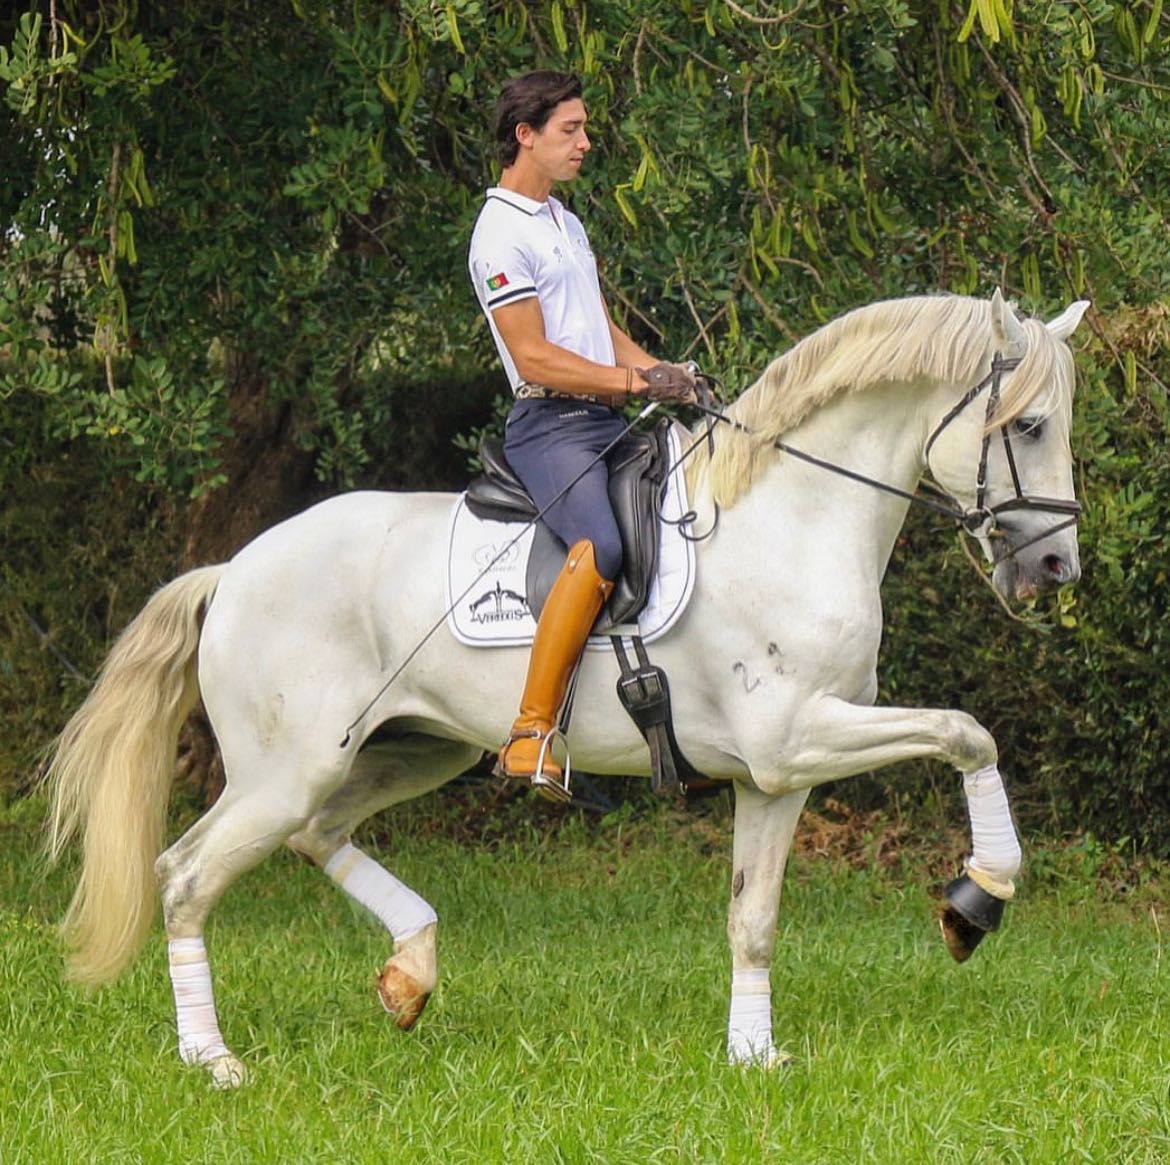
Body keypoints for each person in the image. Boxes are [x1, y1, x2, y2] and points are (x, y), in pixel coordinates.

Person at [468, 70, 697, 798]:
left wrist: (667, 373)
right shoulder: (498, 232)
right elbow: (534, 355)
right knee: (602, 545)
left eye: (584, 129)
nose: (586, 143)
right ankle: (531, 732)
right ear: (524, 135)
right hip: (548, 425)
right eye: (571, 130)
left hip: (603, 414)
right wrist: (637, 385)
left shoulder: (564, 222)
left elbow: (604, 335)